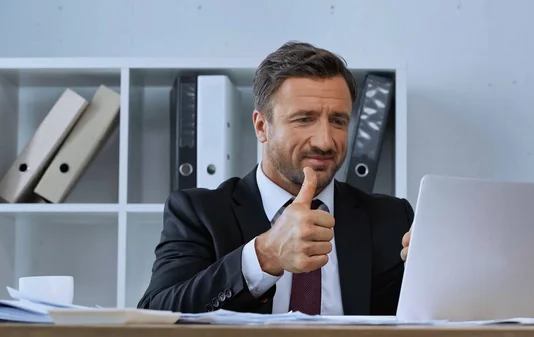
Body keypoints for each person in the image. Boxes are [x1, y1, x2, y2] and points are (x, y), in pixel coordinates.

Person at [137, 41, 414, 316]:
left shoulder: (390, 218)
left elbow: (417, 321)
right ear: (261, 127)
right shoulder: (198, 212)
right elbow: (157, 315)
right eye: (304, 119)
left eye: (338, 121)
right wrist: (264, 255)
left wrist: (438, 279)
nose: (325, 141)